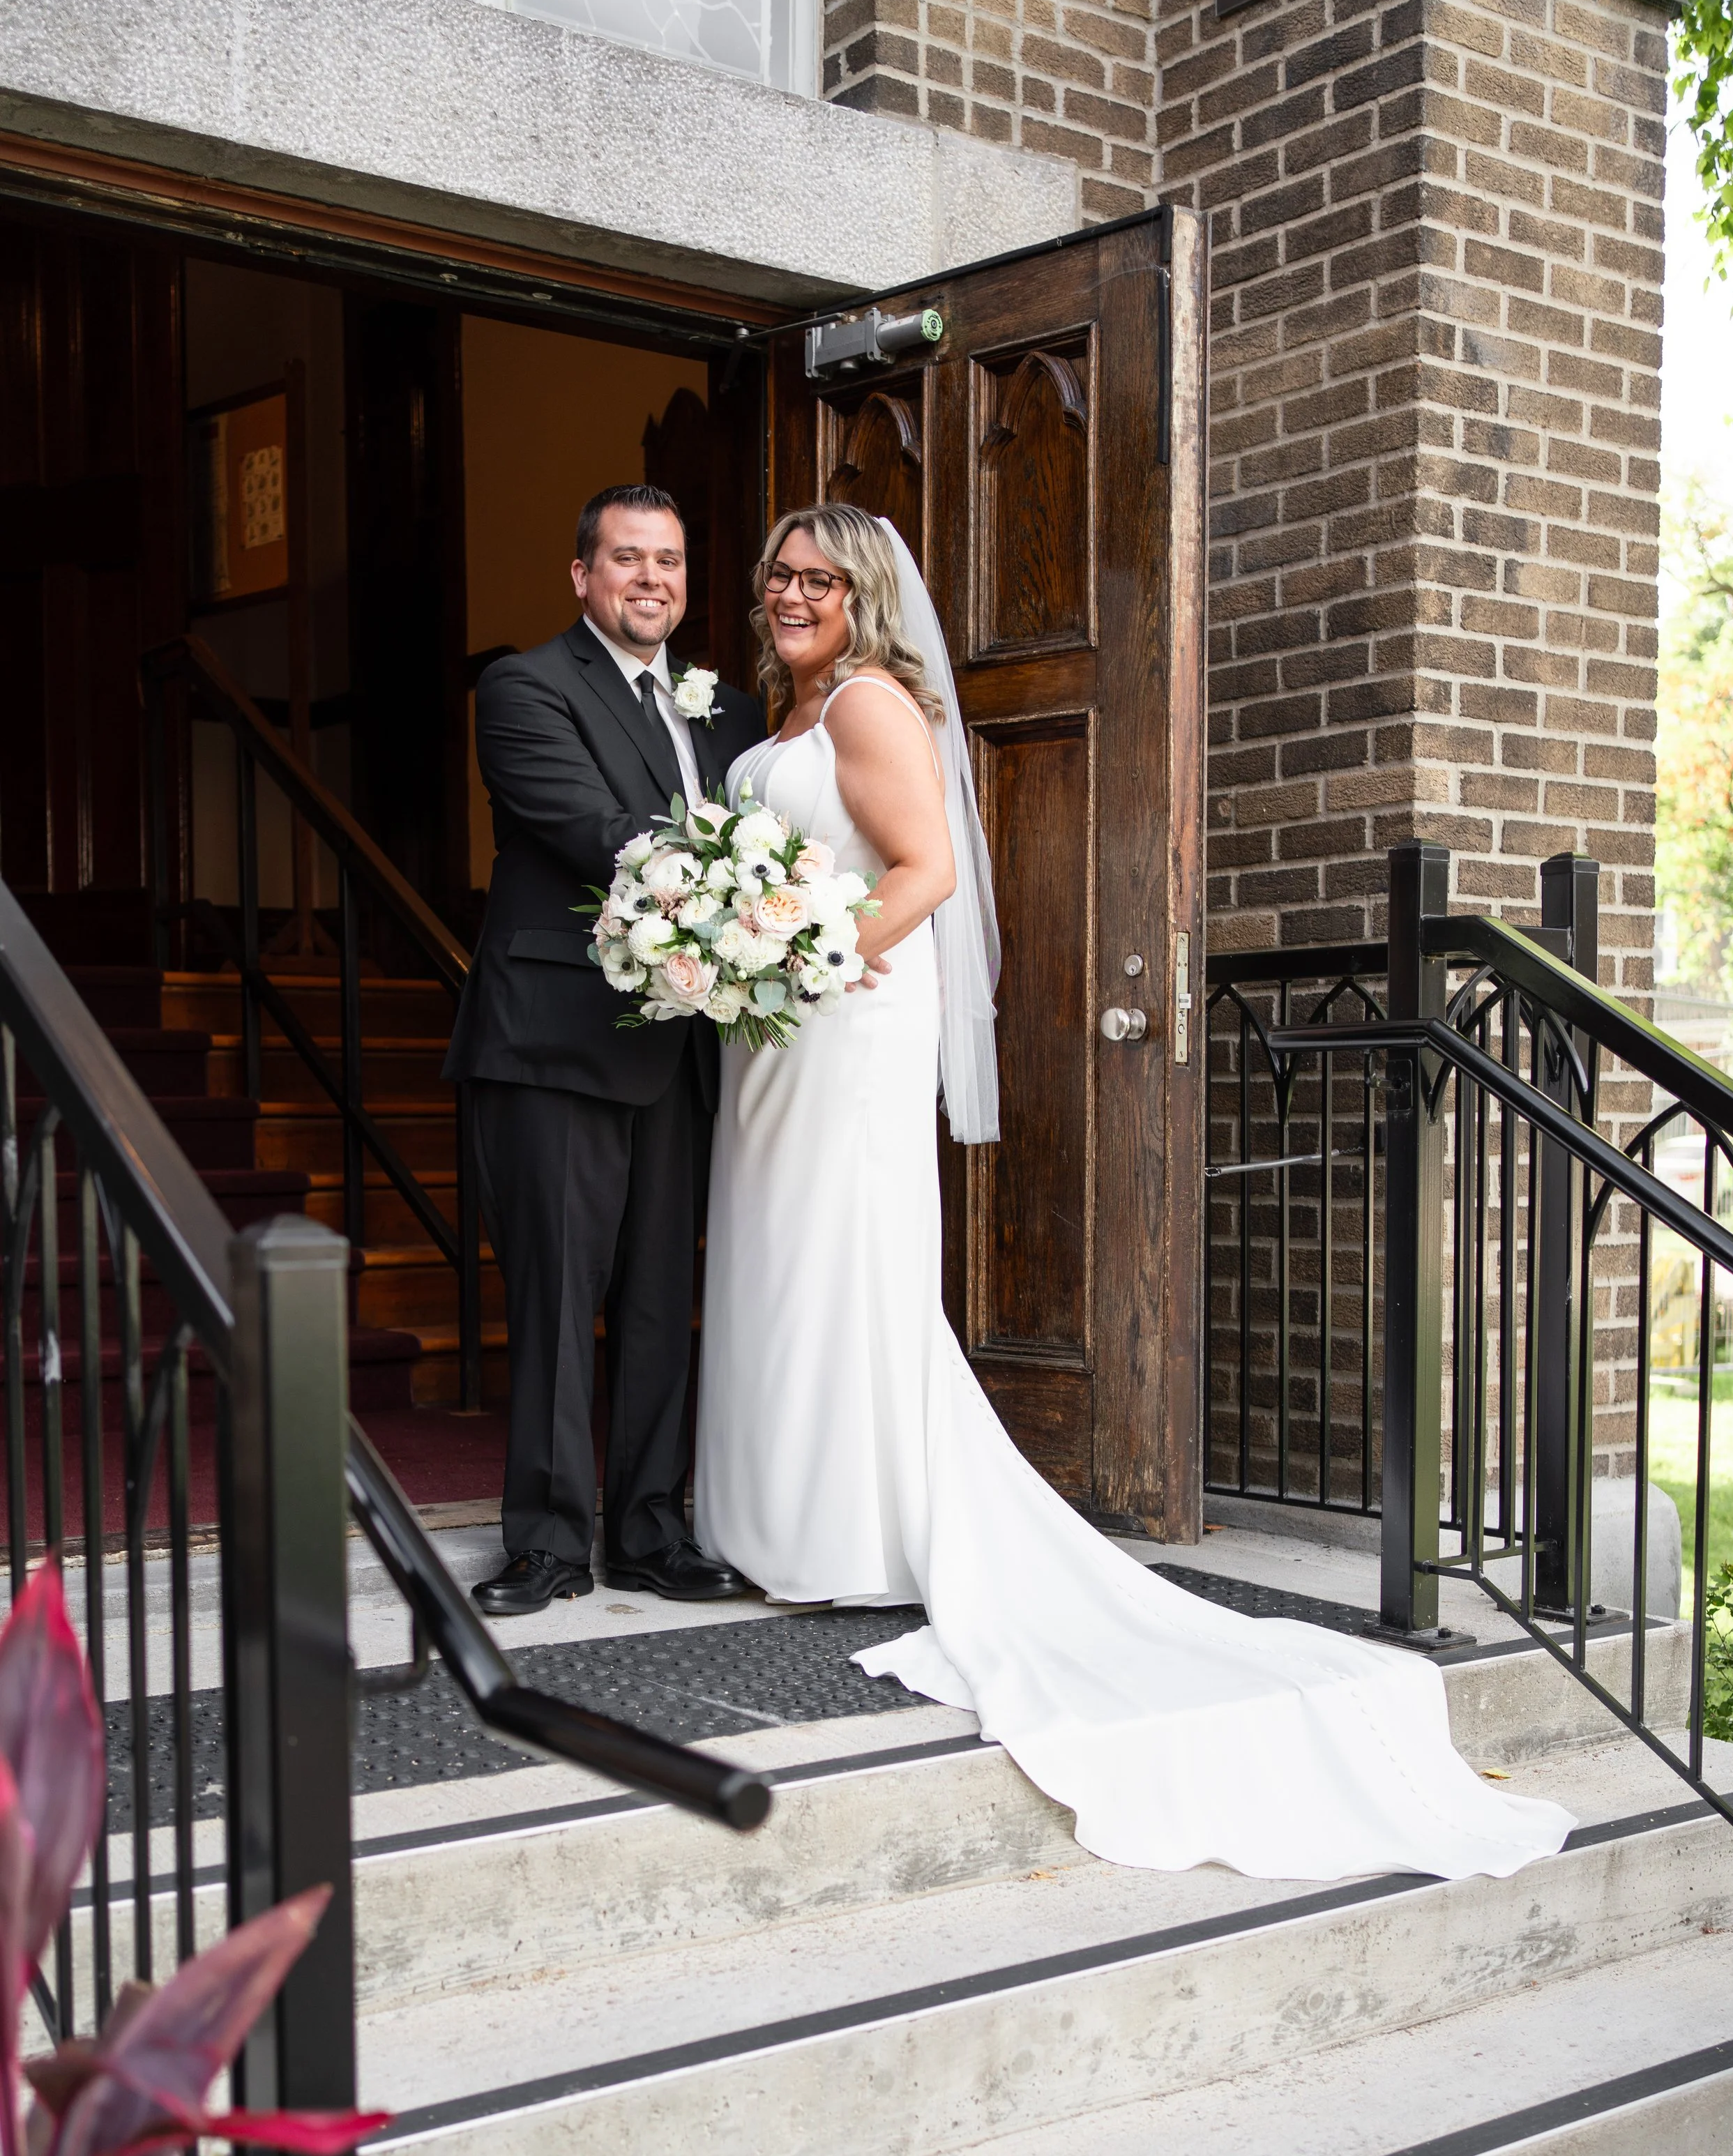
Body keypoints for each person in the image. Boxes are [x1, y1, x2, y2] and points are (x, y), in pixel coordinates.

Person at [693, 504, 1575, 1881]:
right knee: (774, 1260)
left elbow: (919, 873)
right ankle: (775, 1510)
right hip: (783, 1030)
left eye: (817, 575)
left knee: (836, 1261)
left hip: (842, 1020)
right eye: (777, 573)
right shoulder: (776, 713)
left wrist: (789, 959)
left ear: (862, 595)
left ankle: (846, 1526)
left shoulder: (866, 703)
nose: (790, 592)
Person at [446, 483, 765, 1616]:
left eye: (669, 562)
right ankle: (542, 1542)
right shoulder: (525, 687)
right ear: (581, 576)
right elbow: (594, 831)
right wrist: (766, 890)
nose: (651, 581)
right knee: (556, 1297)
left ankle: (646, 1531)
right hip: (555, 1039)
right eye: (627, 560)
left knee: (655, 1302)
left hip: (683, 1041)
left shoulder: (725, 709)